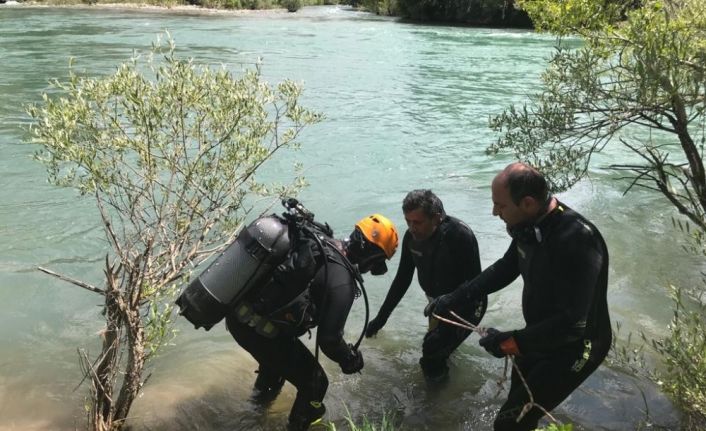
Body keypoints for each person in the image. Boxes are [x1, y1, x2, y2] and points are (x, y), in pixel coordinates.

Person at [425, 162, 611, 431]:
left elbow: (573, 322)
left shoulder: (578, 240)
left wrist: (512, 341)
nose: (494, 212)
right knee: (520, 411)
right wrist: (453, 298)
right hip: (537, 337)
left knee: (509, 423)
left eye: (500, 206)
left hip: (576, 348)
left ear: (527, 203)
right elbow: (505, 268)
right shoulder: (529, 227)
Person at [225, 211, 399, 431]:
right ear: (373, 255)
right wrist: (349, 359)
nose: (374, 269)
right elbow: (329, 340)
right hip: (260, 330)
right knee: (315, 383)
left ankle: (254, 414)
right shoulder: (342, 281)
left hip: (240, 318)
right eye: (378, 262)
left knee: (276, 366)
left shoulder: (320, 243)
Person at [365, 189, 487, 381]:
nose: (412, 228)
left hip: (468, 305)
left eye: (418, 222)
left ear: (437, 218)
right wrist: (381, 318)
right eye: (408, 221)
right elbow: (402, 280)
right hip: (436, 305)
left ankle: (436, 404)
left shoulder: (459, 236)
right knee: (440, 348)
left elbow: (476, 285)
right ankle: (447, 376)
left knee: (431, 350)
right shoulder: (411, 238)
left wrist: (449, 303)